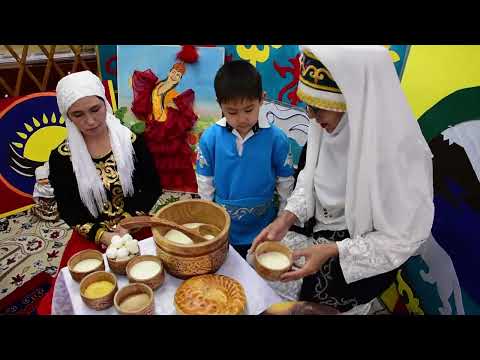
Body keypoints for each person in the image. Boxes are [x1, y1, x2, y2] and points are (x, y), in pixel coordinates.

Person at [250, 45, 434, 314]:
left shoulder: (399, 155)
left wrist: (334, 251)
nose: (311, 117)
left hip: (357, 258)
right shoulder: (325, 128)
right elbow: (309, 178)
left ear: (354, 101)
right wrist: (287, 217)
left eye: (318, 108)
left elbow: (403, 238)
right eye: (308, 107)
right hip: (316, 235)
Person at [49, 70, 162, 248]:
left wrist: (128, 223)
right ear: (68, 117)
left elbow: (152, 187)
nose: (91, 121)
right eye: (78, 114)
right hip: (92, 233)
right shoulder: (61, 158)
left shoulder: (131, 141)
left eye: (95, 109)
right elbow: (68, 209)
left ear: (106, 104)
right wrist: (102, 236)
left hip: (135, 224)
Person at [195, 60, 295, 258]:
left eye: (249, 110)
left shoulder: (277, 139)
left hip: (264, 228)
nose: (242, 118)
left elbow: (285, 183)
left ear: (262, 99)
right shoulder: (210, 138)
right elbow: (205, 182)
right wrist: (210, 221)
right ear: (220, 105)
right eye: (232, 112)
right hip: (223, 228)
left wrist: (282, 221)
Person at [131, 63, 198, 193]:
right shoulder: (157, 86)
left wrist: (175, 107)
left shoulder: (174, 94)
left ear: (179, 79)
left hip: (167, 129)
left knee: (172, 161)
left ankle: (173, 190)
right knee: (154, 160)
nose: (175, 76)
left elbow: (182, 113)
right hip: (154, 127)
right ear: (169, 72)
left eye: (178, 75)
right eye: (174, 72)